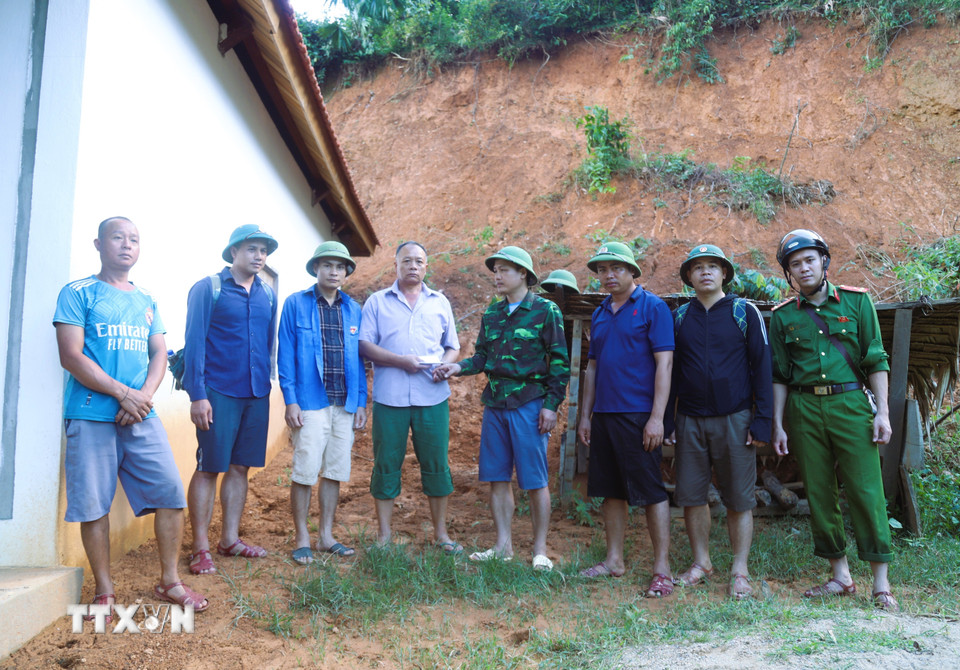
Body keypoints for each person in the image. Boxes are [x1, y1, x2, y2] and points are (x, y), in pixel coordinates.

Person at [54, 216, 208, 619]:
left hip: (141, 415)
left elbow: (160, 354)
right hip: (91, 414)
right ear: (98, 244)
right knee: (94, 505)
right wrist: (122, 394)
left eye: (134, 239)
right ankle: (105, 591)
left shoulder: (146, 299)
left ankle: (170, 581)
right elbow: (71, 355)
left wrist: (142, 397)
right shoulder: (78, 293)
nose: (126, 244)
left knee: (170, 494)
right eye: (118, 237)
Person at [770, 229, 897, 611]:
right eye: (795, 264)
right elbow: (779, 374)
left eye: (810, 259)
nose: (804, 268)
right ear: (789, 272)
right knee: (820, 492)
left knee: (866, 490)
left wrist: (883, 413)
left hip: (850, 404)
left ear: (823, 261)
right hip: (804, 408)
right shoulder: (783, 316)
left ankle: (881, 583)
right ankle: (840, 575)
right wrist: (778, 423)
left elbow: (876, 358)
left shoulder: (857, 302)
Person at [435, 247, 569, 570]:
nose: (497, 276)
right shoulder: (492, 314)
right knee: (497, 478)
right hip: (495, 404)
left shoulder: (546, 311)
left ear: (523, 273)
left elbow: (560, 362)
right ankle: (502, 547)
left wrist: (551, 406)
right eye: (495, 270)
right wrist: (458, 367)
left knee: (535, 480)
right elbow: (483, 357)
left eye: (504, 270)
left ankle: (539, 551)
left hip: (529, 403)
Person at [667, 244, 773, 599]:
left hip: (735, 419)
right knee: (691, 495)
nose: (705, 272)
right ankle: (701, 563)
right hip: (689, 419)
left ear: (724, 273)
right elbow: (671, 372)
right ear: (689, 276)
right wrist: (667, 420)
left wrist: (762, 421)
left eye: (713, 266)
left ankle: (740, 570)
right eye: (697, 267)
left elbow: (762, 367)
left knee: (739, 498)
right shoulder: (680, 317)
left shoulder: (745, 312)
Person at [576, 241, 675, 597]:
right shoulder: (600, 313)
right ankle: (614, 560)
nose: (609, 275)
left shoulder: (653, 307)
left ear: (632, 271)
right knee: (611, 491)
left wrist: (657, 418)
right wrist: (585, 416)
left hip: (638, 416)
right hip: (604, 415)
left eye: (616, 268)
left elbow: (665, 364)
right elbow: (592, 367)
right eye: (602, 270)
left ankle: (662, 569)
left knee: (650, 491)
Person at [182, 224, 279, 575]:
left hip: (256, 392)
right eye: (252, 249)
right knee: (209, 467)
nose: (259, 256)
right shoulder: (209, 288)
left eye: (264, 251)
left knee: (240, 467)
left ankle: (230, 539)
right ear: (234, 251)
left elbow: (267, 343)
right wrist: (198, 395)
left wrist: (267, 383)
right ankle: (200, 548)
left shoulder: (268, 295)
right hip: (218, 392)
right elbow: (194, 344)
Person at [358, 242, 461, 551]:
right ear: (396, 266)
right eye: (406, 261)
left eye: (419, 261)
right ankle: (384, 536)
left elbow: (452, 346)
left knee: (436, 463)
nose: (413, 266)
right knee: (386, 463)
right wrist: (400, 361)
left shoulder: (439, 302)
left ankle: (441, 534)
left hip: (433, 395)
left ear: (426, 266)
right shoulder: (377, 302)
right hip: (390, 398)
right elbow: (364, 345)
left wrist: (446, 365)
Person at [278, 241, 367, 564]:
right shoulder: (296, 304)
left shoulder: (354, 309)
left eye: (340, 266)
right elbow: (285, 355)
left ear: (346, 272)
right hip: (310, 401)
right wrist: (291, 400)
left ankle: (326, 535)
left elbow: (359, 359)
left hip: (344, 403)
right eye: (327, 265)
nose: (334, 271)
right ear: (316, 268)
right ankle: (302, 536)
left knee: (334, 470)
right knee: (305, 470)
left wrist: (361, 400)